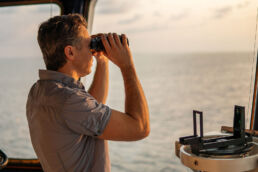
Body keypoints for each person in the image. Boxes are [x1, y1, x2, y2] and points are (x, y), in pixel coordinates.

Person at [26, 14, 150, 172]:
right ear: (70, 52)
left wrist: (102, 60)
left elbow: (90, 109)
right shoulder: (69, 100)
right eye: (88, 44)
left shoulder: (40, 91)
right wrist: (127, 66)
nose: (92, 50)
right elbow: (140, 127)